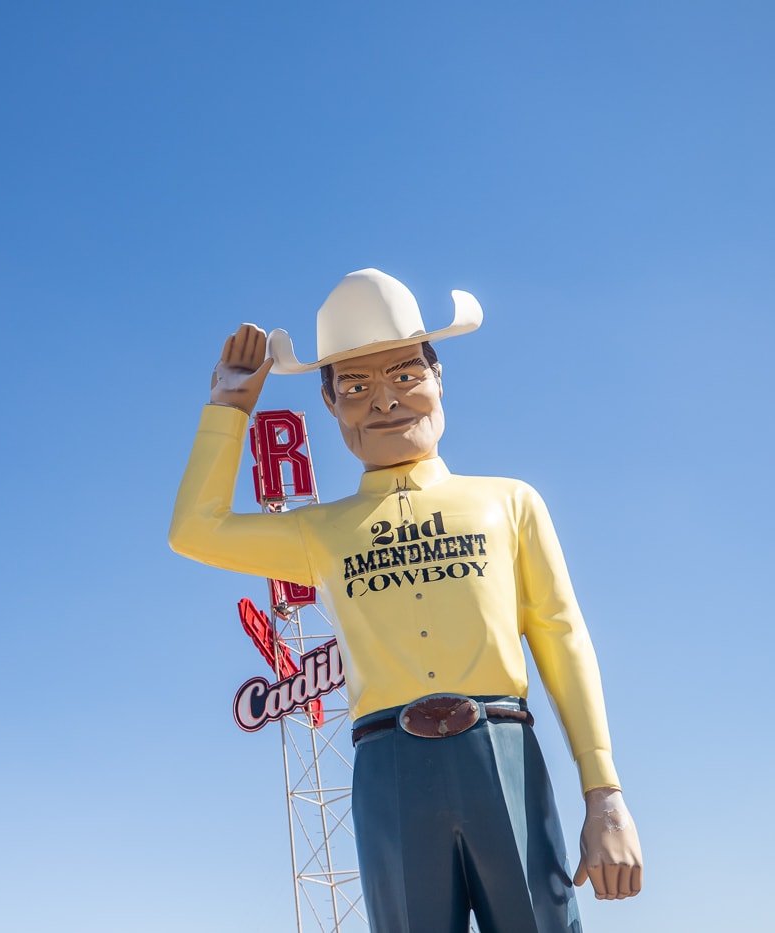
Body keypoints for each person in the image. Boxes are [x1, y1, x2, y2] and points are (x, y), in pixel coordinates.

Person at [169, 268, 643, 933]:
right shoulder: (320, 529)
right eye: (357, 387)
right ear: (330, 405)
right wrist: (228, 410)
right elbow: (194, 530)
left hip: (502, 746)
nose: (385, 402)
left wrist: (605, 794)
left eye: (405, 376)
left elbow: (562, 634)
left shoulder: (508, 501)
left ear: (440, 377)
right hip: (388, 765)